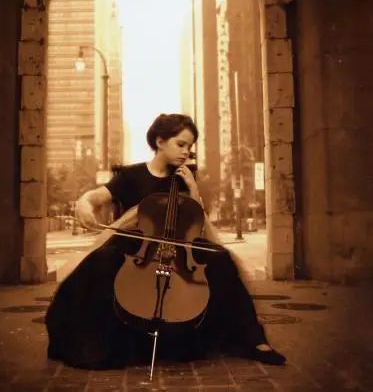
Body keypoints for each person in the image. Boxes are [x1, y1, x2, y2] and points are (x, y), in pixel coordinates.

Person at [46, 113, 286, 369]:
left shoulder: (185, 177)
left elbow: (198, 224)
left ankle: (254, 339)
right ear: (160, 141)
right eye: (180, 144)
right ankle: (94, 341)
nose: (186, 152)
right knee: (101, 261)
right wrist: (84, 205)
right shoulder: (131, 176)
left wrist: (192, 189)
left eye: (190, 147)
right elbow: (95, 197)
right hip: (137, 249)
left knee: (221, 259)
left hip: (179, 249)